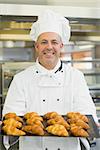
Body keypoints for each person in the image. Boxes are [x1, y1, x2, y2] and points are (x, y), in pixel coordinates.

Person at [3, 9, 98, 150]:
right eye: (44, 42)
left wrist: (92, 127)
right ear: (36, 46)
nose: (49, 47)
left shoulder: (75, 77)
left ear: (61, 46)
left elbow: (86, 115)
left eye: (54, 42)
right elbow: (11, 118)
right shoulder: (21, 79)